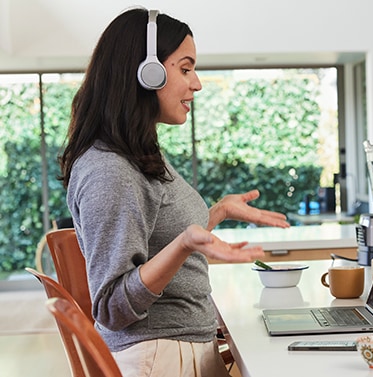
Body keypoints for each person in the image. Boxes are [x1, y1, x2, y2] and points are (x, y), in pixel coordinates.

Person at [58, 8, 290, 376]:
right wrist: (184, 243)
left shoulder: (137, 153)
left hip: (177, 351)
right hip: (158, 360)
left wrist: (217, 212)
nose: (196, 83)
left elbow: (161, 237)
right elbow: (112, 307)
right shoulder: (110, 170)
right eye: (185, 68)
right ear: (146, 72)